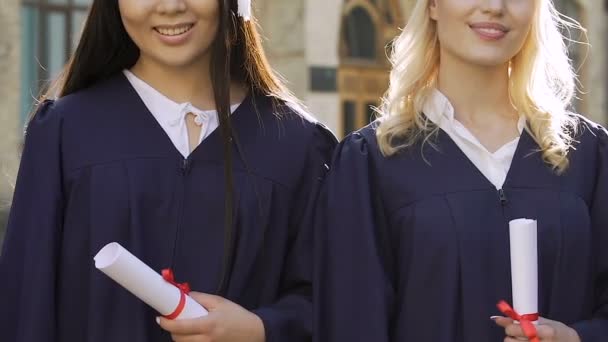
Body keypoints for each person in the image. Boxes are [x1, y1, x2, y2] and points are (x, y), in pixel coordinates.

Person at [0, 0, 336, 341]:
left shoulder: (298, 146)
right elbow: (26, 302)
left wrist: (262, 329)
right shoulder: (65, 132)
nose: (171, 6)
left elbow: (333, 300)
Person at [315, 0, 607, 341]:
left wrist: (576, 338)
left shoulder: (589, 156)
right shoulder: (371, 163)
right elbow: (352, 325)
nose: (495, 7)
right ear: (434, 5)